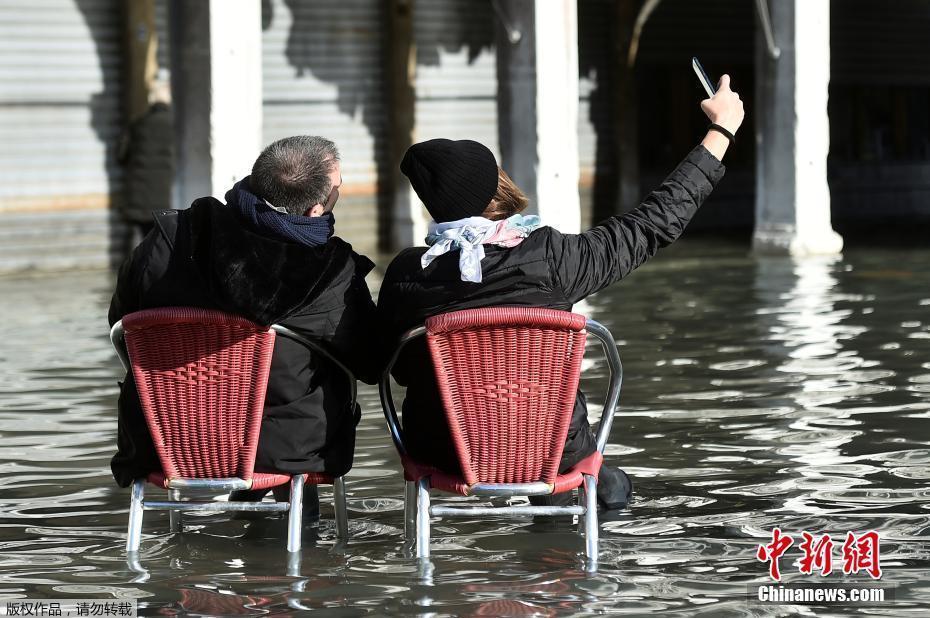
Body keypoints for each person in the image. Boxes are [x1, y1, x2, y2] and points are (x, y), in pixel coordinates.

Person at [377, 75, 746, 509]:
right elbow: (652, 224)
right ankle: (562, 560)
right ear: (493, 186)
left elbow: (387, 368)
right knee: (611, 486)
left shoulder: (406, 275)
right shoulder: (552, 259)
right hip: (553, 451)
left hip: (442, 452)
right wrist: (720, 132)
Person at [108, 135, 378, 513]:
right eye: (337, 191)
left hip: (165, 436)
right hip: (285, 449)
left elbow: (120, 325)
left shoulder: (169, 240)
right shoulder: (331, 275)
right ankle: (307, 544)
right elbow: (370, 363)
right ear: (317, 210)